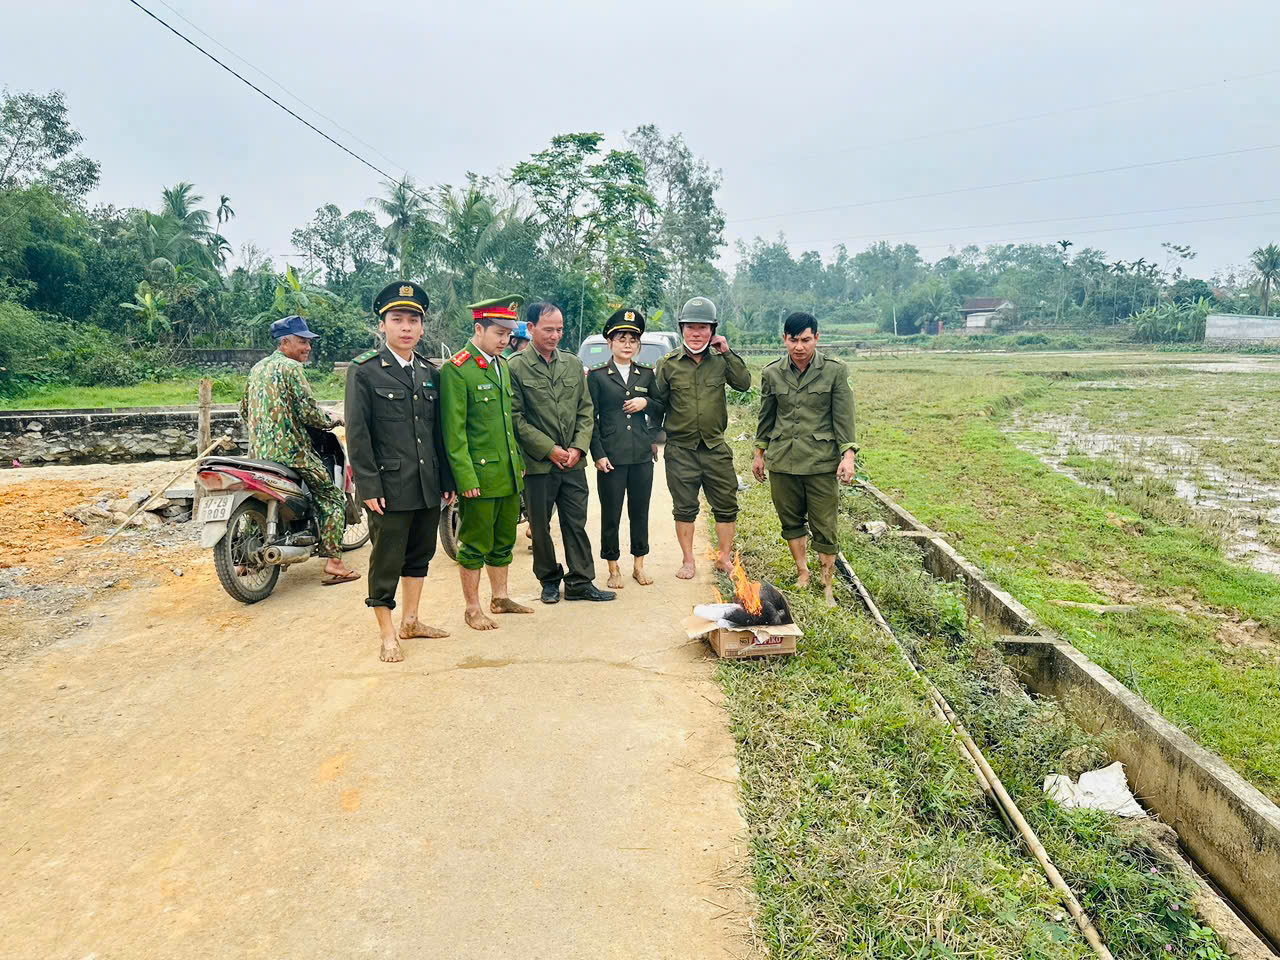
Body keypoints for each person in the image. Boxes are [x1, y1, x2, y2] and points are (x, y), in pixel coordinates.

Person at [345, 281, 457, 662]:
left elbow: (437, 432)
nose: (406, 327)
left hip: (427, 485)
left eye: (413, 320)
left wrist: (447, 480)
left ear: (422, 328)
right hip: (389, 486)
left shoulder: (429, 372)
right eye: (397, 319)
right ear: (383, 325)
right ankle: (387, 633)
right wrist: (367, 486)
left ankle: (411, 620)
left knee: (420, 555)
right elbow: (358, 435)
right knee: (387, 558)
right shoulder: (365, 372)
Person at [509, 301, 615, 604]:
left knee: (575, 522)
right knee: (540, 526)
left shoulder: (571, 363)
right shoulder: (515, 366)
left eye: (559, 330)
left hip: (572, 463)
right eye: (548, 329)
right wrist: (549, 449)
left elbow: (585, 409)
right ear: (530, 329)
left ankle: (581, 581)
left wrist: (578, 448)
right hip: (539, 464)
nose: (555, 335)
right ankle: (549, 579)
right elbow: (516, 418)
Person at [240, 315, 358, 585]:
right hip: (292, 452)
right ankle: (335, 563)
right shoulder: (292, 369)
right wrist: (333, 419)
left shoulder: (257, 368)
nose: (308, 347)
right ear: (285, 342)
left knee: (256, 498)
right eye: (302, 341)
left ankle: (245, 562)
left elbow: (244, 410)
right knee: (331, 496)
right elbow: (309, 412)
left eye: (308, 342)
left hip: (259, 455)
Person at [439, 296, 534, 630]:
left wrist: (518, 462)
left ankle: (500, 596)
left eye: (508, 333)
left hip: (506, 473)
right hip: (479, 475)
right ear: (478, 329)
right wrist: (465, 478)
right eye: (498, 332)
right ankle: (472, 608)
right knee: (475, 544)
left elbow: (507, 423)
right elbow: (454, 432)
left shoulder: (501, 364)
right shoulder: (458, 369)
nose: (504, 340)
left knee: (504, 539)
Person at [753, 311, 857, 606]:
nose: (799, 346)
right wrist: (759, 454)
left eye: (806, 340)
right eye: (793, 340)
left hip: (821, 463)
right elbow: (766, 418)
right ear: (784, 339)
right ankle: (803, 572)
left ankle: (827, 584)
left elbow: (844, 419)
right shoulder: (772, 372)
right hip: (783, 461)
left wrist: (847, 456)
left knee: (825, 524)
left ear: (817, 339)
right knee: (790, 521)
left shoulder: (835, 371)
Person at [652, 296, 751, 579]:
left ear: (713, 330)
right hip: (680, 450)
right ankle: (688, 560)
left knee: (726, 505)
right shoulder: (668, 364)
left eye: (703, 328)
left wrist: (727, 352)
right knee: (684, 508)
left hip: (715, 447)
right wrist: (651, 438)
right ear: (681, 329)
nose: (696, 334)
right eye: (690, 327)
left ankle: (723, 557)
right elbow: (658, 404)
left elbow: (744, 384)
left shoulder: (721, 361)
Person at [587, 307, 663, 589]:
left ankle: (639, 565)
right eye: (621, 339)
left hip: (641, 454)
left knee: (640, 511)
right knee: (611, 513)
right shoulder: (597, 376)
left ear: (638, 344)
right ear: (610, 343)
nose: (627, 344)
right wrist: (598, 454)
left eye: (632, 339)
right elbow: (590, 418)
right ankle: (613, 566)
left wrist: (647, 405)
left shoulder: (646, 374)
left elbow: (660, 409)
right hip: (612, 456)